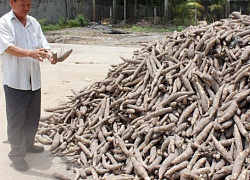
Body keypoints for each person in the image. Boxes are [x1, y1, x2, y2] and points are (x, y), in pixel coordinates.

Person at [0, 0, 57, 172]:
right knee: (16, 120)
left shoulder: (33, 23)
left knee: (32, 116)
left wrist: (50, 55)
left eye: (29, 5)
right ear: (12, 2)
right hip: (15, 81)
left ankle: (29, 145)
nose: (26, 8)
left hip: (33, 80)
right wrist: (30, 53)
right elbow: (8, 47)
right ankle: (17, 155)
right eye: (22, 4)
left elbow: (44, 44)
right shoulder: (4, 23)